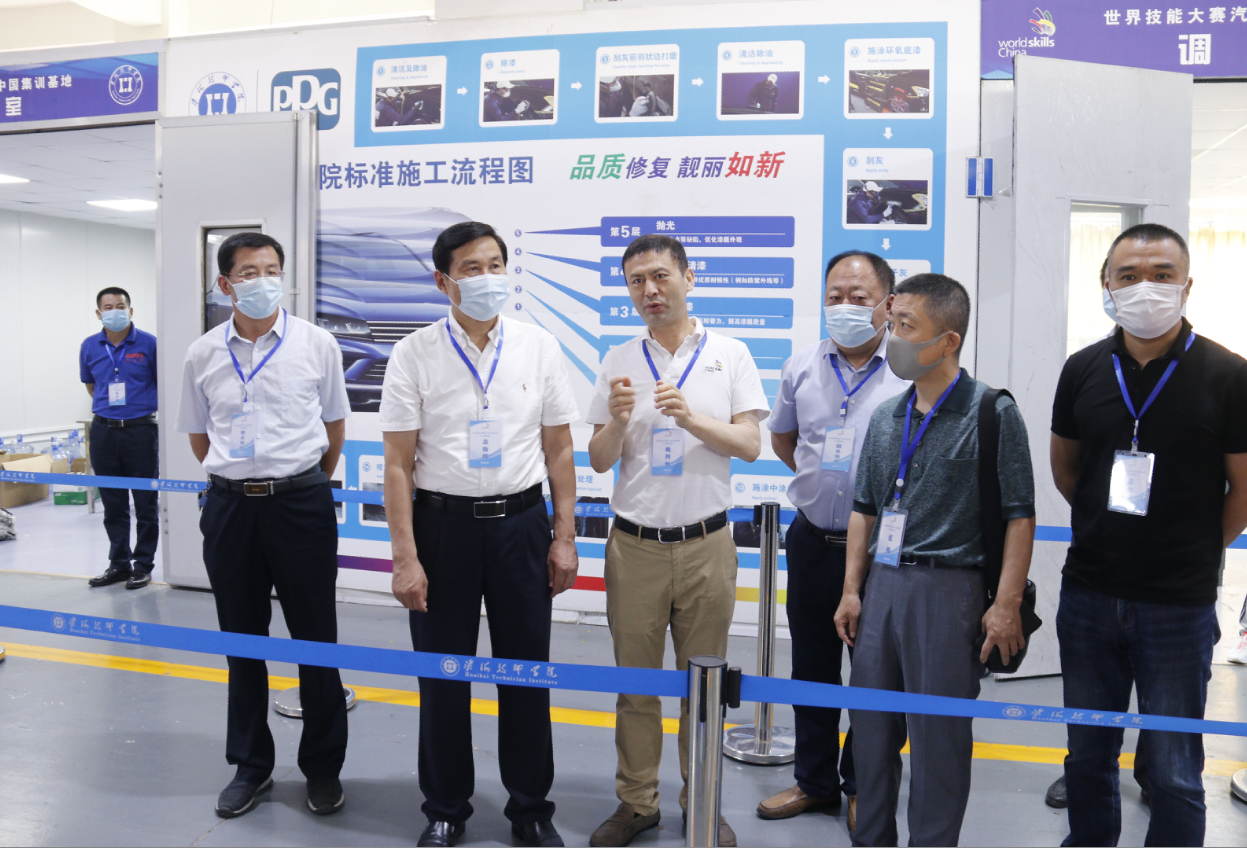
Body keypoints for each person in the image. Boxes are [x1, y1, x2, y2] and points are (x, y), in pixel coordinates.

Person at [380, 221, 579, 848]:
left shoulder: (538, 346)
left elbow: (559, 448)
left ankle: (531, 809)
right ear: (444, 281)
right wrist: (406, 558)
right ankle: (445, 808)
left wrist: (564, 535)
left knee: (527, 674)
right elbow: (397, 464)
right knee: (443, 677)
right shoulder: (414, 353)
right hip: (444, 530)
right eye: (472, 268)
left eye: (496, 265)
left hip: (521, 526)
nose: (488, 278)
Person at [1050, 222, 1247, 847]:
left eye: (1162, 275)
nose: (1146, 287)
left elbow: (1243, 490)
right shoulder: (1083, 368)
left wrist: (1191, 547)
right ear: (1106, 285)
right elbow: (1067, 470)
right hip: (1089, 593)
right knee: (1087, 755)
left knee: (1174, 768)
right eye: (1129, 276)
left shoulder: (1229, 374)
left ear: (1187, 285)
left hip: (1179, 603)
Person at [834, 273, 1036, 847]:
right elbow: (865, 511)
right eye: (891, 323)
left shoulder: (992, 412)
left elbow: (1019, 515)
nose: (893, 337)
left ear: (947, 341)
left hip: (949, 593)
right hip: (882, 588)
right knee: (871, 733)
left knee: (938, 743)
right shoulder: (886, 417)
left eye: (906, 326)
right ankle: (872, 839)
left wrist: (1006, 604)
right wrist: (852, 591)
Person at [585, 234, 770, 848]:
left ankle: (703, 802)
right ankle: (637, 803)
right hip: (634, 545)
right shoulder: (618, 358)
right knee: (636, 687)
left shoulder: (730, 353)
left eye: (661, 276)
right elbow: (599, 458)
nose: (650, 291)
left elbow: (750, 445)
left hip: (706, 545)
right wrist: (617, 421)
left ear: (689, 277)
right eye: (636, 281)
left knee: (704, 687)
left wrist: (690, 418)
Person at [176, 232, 350, 820]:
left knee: (316, 640)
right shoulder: (202, 353)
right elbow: (200, 437)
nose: (263, 281)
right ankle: (251, 765)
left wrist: (300, 482)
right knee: (241, 641)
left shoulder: (316, 343)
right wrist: (239, 479)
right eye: (249, 272)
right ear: (224, 284)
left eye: (272, 270)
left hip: (301, 505)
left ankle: (323, 768)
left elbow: (334, 426)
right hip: (230, 510)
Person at [758, 251, 907, 830]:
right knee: (813, 669)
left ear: (887, 304)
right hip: (812, 540)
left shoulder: (908, 369)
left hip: (883, 552)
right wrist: (822, 487)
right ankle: (815, 782)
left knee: (875, 675)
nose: (844, 306)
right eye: (835, 296)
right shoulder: (802, 365)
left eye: (858, 297)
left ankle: (862, 785)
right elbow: (785, 440)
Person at [80, 287, 159, 590]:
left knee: (145, 503)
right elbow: (91, 386)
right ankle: (118, 564)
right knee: (113, 503)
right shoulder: (89, 346)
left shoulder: (149, 343)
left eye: (120, 306)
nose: (115, 311)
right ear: (99, 313)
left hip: (140, 430)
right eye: (108, 307)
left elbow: (161, 382)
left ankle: (143, 565)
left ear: (131, 310)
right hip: (103, 430)